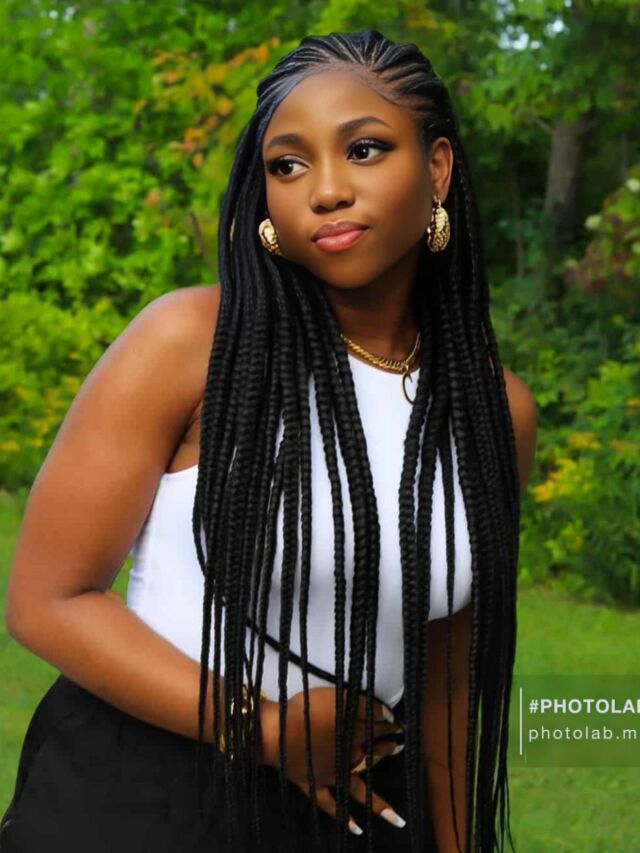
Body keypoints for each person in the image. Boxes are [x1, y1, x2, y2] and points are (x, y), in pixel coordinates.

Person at [1, 27, 536, 853]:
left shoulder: (493, 408)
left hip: (362, 806)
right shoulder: (191, 341)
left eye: (363, 149)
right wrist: (265, 728)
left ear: (437, 168)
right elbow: (48, 599)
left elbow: (449, 678)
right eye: (288, 164)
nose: (326, 190)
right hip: (147, 798)